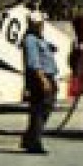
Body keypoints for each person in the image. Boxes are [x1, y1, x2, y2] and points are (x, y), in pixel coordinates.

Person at [20, 13, 59, 155]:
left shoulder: (38, 38)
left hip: (46, 77)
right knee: (40, 112)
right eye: (40, 23)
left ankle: (28, 139)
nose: (42, 25)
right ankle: (34, 143)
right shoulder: (30, 40)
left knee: (42, 110)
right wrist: (44, 81)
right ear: (34, 24)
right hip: (40, 79)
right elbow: (33, 63)